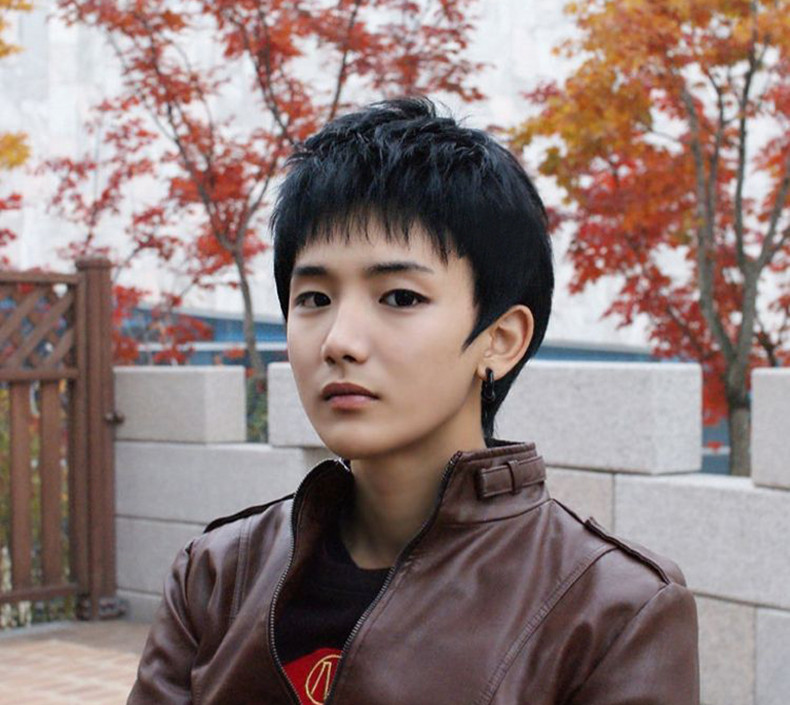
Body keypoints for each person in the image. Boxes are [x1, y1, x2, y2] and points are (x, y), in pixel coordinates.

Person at [127, 97, 699, 705]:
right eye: (314, 299)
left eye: (400, 298)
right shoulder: (218, 573)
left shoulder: (610, 611)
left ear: (500, 340)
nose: (339, 342)